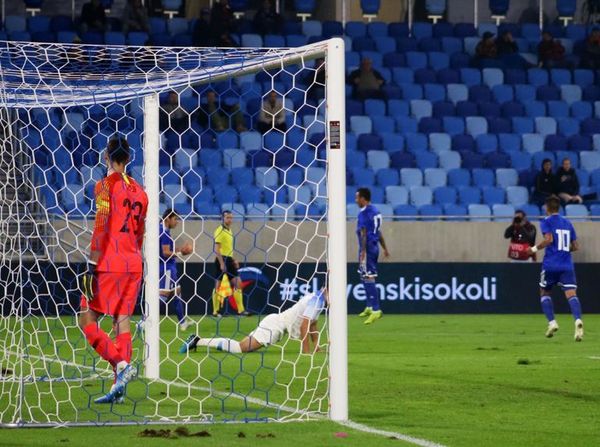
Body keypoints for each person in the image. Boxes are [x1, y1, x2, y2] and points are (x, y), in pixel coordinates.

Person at [79, 136, 148, 403]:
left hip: (110, 263)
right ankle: (118, 390)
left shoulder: (104, 186)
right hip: (134, 264)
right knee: (121, 322)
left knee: (86, 319)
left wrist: (92, 265)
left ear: (106, 157)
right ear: (129, 159)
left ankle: (121, 365)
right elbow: (140, 233)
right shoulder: (142, 193)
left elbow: (101, 226)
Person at [180, 289, 326, 354]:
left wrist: (316, 346)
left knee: (241, 346)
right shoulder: (317, 300)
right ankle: (198, 341)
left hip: (276, 324)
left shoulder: (317, 297)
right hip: (275, 326)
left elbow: (312, 324)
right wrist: (306, 352)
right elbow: (305, 325)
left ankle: (197, 341)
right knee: (240, 348)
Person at [528, 196, 583, 341]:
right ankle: (577, 320)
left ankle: (552, 322)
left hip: (550, 264)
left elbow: (548, 240)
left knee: (544, 291)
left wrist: (533, 249)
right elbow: (576, 246)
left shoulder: (546, 221)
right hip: (566, 265)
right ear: (559, 208)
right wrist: (564, 249)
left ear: (547, 208)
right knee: (571, 294)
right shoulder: (568, 223)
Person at [355, 188, 390, 325]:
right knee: (363, 275)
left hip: (367, 248)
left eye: (357, 197)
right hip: (373, 246)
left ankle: (376, 310)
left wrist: (363, 250)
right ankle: (369, 306)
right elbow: (378, 231)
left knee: (369, 277)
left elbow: (364, 233)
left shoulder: (364, 213)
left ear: (363, 199)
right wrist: (385, 248)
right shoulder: (375, 211)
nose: (356, 200)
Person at [159, 209, 193, 330]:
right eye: (175, 219)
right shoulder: (163, 232)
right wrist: (182, 252)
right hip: (166, 267)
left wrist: (180, 249)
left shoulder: (163, 230)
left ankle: (183, 323)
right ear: (168, 219)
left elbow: (168, 248)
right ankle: (144, 321)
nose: (177, 222)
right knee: (163, 295)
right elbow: (166, 252)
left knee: (177, 292)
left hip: (169, 266)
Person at [212, 210, 246, 316]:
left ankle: (241, 310)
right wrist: (222, 263)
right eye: (227, 218)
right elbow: (217, 249)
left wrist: (233, 259)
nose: (230, 220)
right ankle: (215, 311)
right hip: (221, 259)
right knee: (218, 286)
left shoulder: (229, 230)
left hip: (229, 259)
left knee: (238, 283)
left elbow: (229, 248)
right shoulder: (219, 230)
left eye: (231, 218)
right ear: (223, 218)